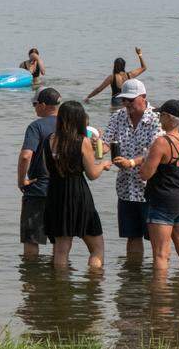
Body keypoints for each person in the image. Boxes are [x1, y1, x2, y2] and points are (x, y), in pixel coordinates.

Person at [43, 101, 112, 268]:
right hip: (78, 195)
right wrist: (102, 164)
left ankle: (60, 289)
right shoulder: (82, 141)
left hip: (55, 194)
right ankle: (93, 288)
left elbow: (47, 168)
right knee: (97, 247)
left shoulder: (49, 140)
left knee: (61, 249)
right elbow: (92, 174)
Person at [140, 100, 179, 271]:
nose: (159, 119)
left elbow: (146, 174)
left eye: (161, 115)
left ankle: (160, 296)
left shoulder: (162, 142)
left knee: (161, 254)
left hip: (162, 202)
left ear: (168, 117)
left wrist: (143, 162)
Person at [103, 78, 162, 258]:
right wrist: (93, 146)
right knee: (132, 237)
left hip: (150, 189)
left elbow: (156, 151)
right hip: (125, 188)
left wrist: (131, 162)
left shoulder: (157, 118)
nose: (126, 103)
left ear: (143, 97)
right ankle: (132, 279)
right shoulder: (118, 116)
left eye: (130, 99)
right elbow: (105, 144)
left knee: (155, 239)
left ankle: (157, 281)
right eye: (124, 100)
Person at [18, 87, 61, 257]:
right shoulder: (69, 124)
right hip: (62, 190)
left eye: (35, 104)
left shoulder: (36, 127)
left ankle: (32, 278)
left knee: (32, 240)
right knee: (60, 241)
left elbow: (25, 156)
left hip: (38, 189)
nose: (34, 107)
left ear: (43, 105)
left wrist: (21, 180)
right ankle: (57, 279)